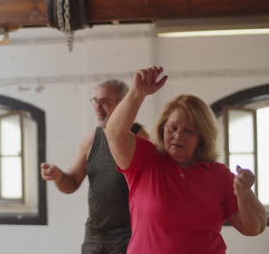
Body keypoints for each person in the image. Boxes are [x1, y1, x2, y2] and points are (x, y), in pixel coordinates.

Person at [105, 66, 267, 254]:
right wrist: (137, 93)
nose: (178, 136)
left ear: (202, 137)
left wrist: (245, 193)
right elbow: (114, 133)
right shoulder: (145, 159)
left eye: (188, 131)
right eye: (172, 128)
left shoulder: (219, 174)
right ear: (162, 128)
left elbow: (255, 228)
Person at [41, 79, 149, 254]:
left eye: (105, 102)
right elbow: (72, 183)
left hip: (127, 235)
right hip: (94, 236)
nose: (98, 108)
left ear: (123, 103)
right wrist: (58, 176)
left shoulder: (140, 137)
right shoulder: (91, 139)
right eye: (95, 101)